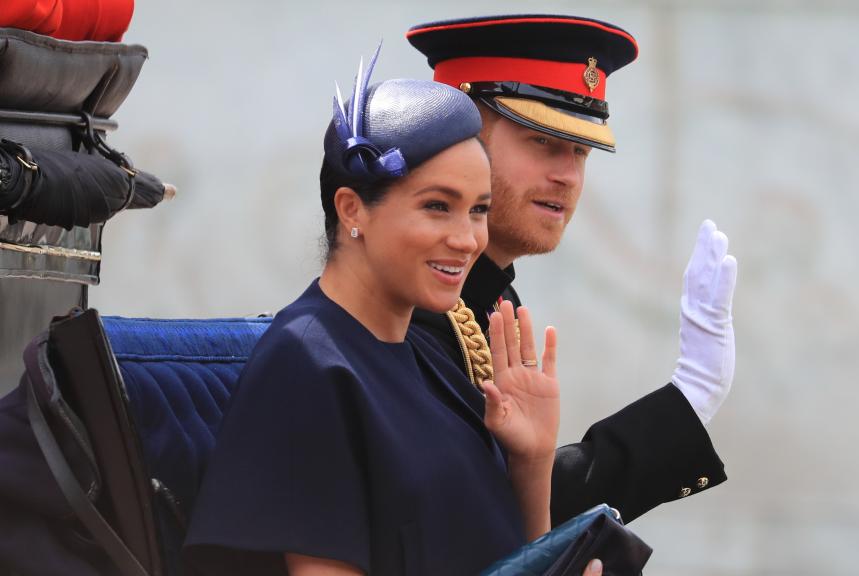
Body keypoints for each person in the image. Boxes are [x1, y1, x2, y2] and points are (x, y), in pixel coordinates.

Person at [183, 52, 575, 575]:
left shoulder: (425, 357)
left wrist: (531, 461)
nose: (467, 239)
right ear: (352, 209)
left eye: (479, 209)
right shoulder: (307, 366)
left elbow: (516, 562)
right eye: (437, 205)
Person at [405, 14, 739, 525]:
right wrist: (687, 400)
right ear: (460, 140)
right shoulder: (414, 302)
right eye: (542, 142)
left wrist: (688, 400)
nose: (567, 175)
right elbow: (478, 519)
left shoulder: (486, 297)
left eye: (581, 150)